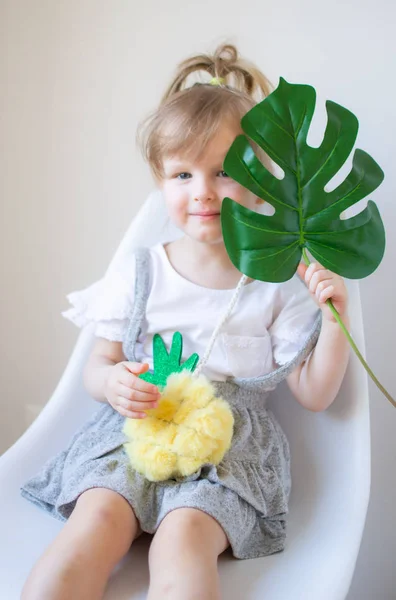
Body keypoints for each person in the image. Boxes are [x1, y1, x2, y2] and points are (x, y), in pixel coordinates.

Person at [20, 43, 350, 600]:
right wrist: (113, 382)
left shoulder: (275, 284)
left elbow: (315, 394)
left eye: (223, 171)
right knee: (96, 519)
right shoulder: (141, 270)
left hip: (227, 455)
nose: (202, 192)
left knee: (184, 536)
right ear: (159, 179)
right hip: (138, 431)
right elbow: (98, 367)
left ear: (259, 178)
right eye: (181, 174)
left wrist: (334, 318)